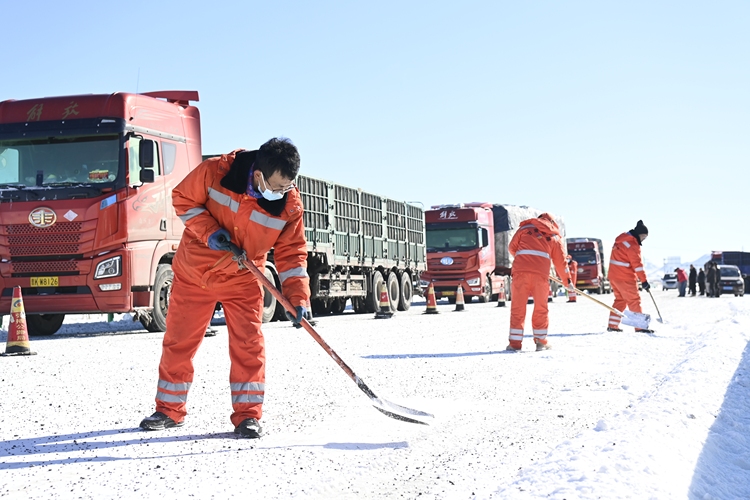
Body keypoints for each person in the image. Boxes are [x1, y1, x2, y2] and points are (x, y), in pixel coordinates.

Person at [139, 138, 311, 439]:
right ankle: (169, 410)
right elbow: (182, 199)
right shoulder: (215, 172)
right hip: (196, 273)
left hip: (244, 278)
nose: (282, 193)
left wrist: (298, 298)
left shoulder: (289, 206)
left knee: (249, 347)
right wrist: (210, 233)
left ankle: (248, 416)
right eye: (277, 186)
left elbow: (292, 255)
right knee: (179, 343)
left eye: (287, 186)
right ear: (258, 174)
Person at [506, 213, 571, 351]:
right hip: (540, 275)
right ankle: (541, 342)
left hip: (520, 272)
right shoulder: (554, 236)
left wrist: (524, 259)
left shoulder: (525, 228)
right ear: (552, 222)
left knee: (518, 308)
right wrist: (567, 281)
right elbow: (561, 262)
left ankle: (514, 344)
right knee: (541, 308)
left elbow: (512, 248)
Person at [606, 220, 653, 333]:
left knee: (620, 300)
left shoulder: (621, 241)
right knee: (634, 301)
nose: (643, 240)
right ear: (639, 234)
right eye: (643, 237)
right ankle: (640, 326)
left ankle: (612, 325)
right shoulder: (632, 245)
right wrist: (644, 281)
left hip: (614, 276)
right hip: (625, 277)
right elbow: (637, 266)